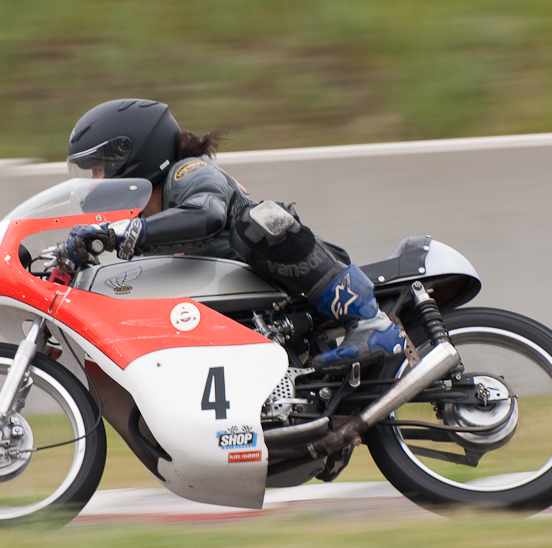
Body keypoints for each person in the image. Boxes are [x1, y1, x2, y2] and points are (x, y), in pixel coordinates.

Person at [64, 98, 405, 372]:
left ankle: (368, 320)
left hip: (289, 282)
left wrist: (124, 232)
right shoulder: (142, 227)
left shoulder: (189, 172)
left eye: (98, 168)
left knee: (256, 223)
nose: (93, 181)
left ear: (134, 155)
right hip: (239, 319)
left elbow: (206, 216)